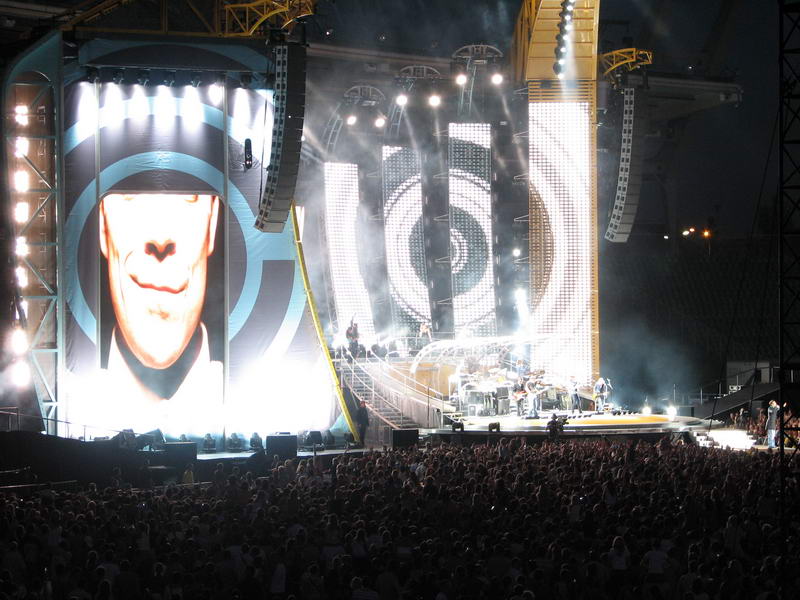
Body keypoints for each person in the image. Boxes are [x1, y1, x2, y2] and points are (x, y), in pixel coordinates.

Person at [81, 192, 223, 435]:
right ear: (103, 224)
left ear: (212, 223)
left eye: (187, 198)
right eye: (131, 196)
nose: (160, 243)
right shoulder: (77, 393)